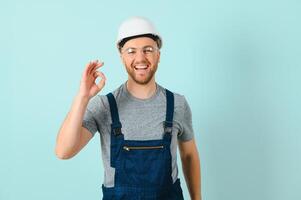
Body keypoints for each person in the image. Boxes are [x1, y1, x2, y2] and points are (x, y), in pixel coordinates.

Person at [55, 16, 201, 200]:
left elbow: (188, 154)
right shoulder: (103, 106)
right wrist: (83, 96)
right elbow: (63, 151)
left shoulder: (178, 104)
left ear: (158, 55)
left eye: (148, 50)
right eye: (131, 51)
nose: (140, 58)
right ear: (121, 56)